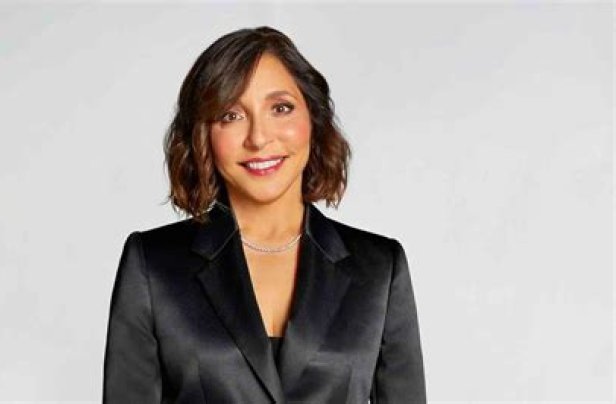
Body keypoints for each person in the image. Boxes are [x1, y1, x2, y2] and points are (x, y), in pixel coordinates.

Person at [103, 26, 426, 404]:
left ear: (313, 118)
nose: (258, 137)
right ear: (203, 135)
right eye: (230, 115)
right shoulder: (152, 265)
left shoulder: (380, 269)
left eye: (281, 108)